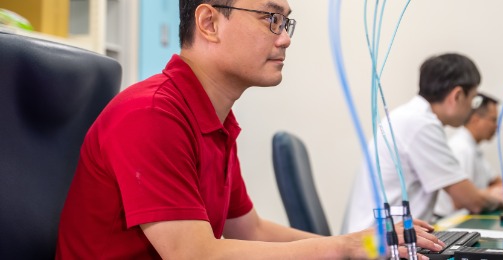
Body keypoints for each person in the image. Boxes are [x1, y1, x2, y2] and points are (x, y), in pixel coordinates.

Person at [55, 0, 445, 259]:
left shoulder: (216, 120)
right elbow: (196, 254)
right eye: (270, 18)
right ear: (209, 23)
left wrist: (368, 243)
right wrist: (345, 247)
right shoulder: (152, 113)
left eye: (286, 21)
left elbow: (251, 230)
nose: (286, 37)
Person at [343, 53, 503, 234]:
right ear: (457, 95)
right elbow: (470, 200)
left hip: (379, 240)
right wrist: (499, 198)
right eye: (472, 99)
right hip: (377, 247)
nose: (471, 109)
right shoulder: (421, 125)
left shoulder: (411, 117)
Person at [434, 93, 503, 217]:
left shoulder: (472, 147)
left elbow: (493, 181)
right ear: (475, 119)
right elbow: (462, 200)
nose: (497, 126)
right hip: (452, 220)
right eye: (493, 120)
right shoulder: (461, 149)